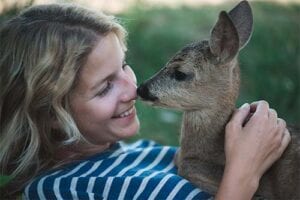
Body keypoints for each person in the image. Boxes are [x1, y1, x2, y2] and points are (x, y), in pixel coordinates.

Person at [0, 3, 290, 200]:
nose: (132, 89)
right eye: (104, 88)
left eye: (124, 66)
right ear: (52, 112)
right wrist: (243, 173)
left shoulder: (135, 151)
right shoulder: (65, 188)